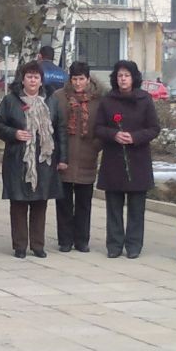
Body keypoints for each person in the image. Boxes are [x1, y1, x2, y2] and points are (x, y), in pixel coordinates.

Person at [0, 61, 67, 258]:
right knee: (18, 202)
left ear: (41, 80)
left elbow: (60, 130)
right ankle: (20, 245)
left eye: (36, 77)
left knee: (40, 203)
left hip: (44, 159)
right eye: (29, 77)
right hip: (18, 158)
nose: (33, 80)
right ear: (23, 79)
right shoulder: (10, 100)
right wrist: (14, 133)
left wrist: (63, 158)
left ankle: (37, 245)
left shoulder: (51, 101)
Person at [94, 60, 160, 259]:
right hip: (114, 159)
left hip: (138, 158)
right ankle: (114, 244)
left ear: (134, 78)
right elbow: (98, 128)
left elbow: (154, 128)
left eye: (127, 75)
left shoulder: (144, 99)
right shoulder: (107, 100)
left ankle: (134, 245)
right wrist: (114, 134)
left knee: (136, 207)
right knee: (113, 206)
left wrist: (135, 137)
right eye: (120, 76)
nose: (123, 79)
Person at [54, 61, 102, 253]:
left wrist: (96, 146)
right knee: (63, 202)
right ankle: (65, 240)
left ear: (88, 79)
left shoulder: (98, 99)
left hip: (87, 155)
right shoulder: (59, 97)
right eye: (74, 79)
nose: (78, 83)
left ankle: (82, 240)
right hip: (64, 157)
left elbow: (102, 126)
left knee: (84, 202)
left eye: (81, 79)